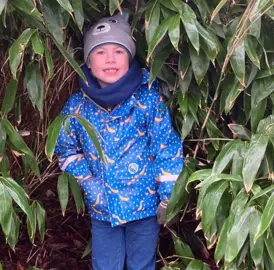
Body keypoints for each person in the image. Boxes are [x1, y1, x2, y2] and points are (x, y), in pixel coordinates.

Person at [54, 13, 183, 270]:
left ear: (130, 57)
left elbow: (165, 147)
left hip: (144, 207)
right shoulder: (78, 106)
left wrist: (168, 196)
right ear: (88, 62)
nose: (110, 59)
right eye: (100, 52)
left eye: (119, 51)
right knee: (105, 265)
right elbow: (64, 148)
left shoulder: (147, 98)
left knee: (142, 265)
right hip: (103, 209)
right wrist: (88, 183)